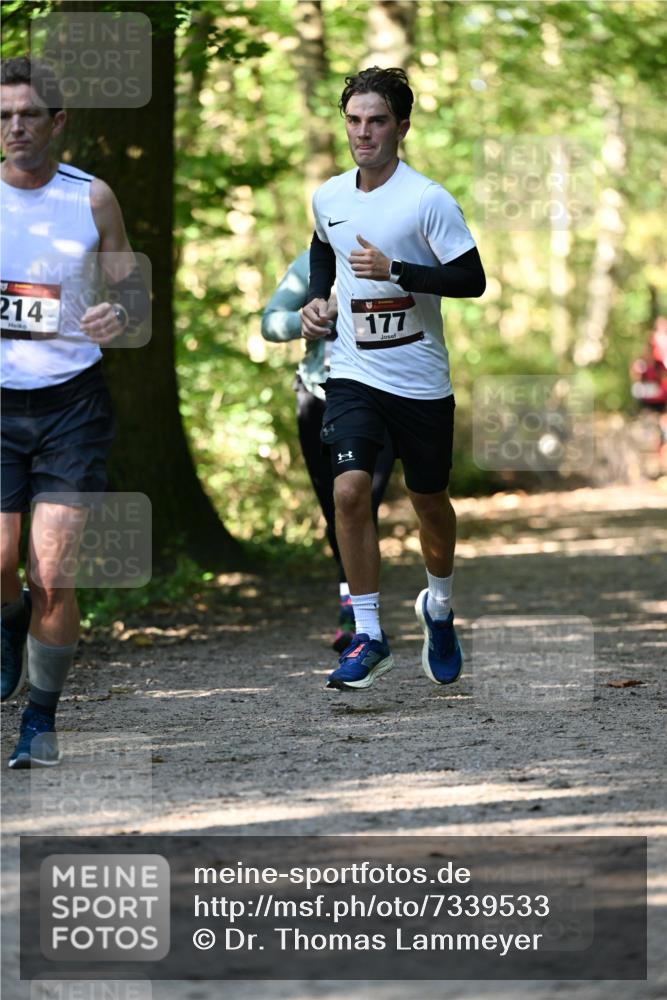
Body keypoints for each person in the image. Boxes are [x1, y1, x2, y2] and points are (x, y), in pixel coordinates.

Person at [301, 66, 486, 691]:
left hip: (420, 381)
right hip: (354, 373)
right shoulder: (330, 196)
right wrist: (319, 299)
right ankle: (370, 635)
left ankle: (438, 603)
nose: (363, 132)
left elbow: (471, 280)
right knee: (349, 491)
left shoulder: (427, 199)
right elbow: (323, 247)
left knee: (429, 502)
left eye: (377, 120)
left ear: (401, 126)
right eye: (353, 120)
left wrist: (397, 270)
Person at [0, 57, 148, 767]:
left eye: (28, 114)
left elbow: (132, 293)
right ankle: (8, 621)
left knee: (51, 570)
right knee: (3, 564)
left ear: (56, 121)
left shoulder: (91, 198)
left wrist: (117, 314)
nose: (15, 127)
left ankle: (41, 719)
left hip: (71, 405)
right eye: (3, 116)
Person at [261, 251, 394, 651]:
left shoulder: (393, 258)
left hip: (384, 397)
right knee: (333, 508)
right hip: (319, 396)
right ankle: (350, 601)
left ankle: (361, 614)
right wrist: (305, 321)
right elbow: (270, 322)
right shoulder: (309, 264)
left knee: (361, 501)